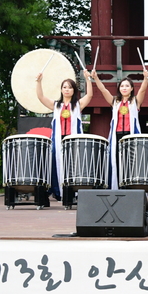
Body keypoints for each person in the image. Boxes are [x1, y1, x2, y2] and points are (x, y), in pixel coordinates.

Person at [36, 70, 93, 202]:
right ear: (61, 90)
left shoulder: (78, 105)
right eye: (65, 87)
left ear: (74, 90)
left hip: (74, 141)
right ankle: (58, 191)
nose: (67, 90)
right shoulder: (56, 105)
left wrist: (88, 79)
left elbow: (89, 95)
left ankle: (74, 192)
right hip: (58, 140)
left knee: (74, 165)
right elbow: (41, 97)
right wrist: (39, 82)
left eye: (70, 87)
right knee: (57, 164)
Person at [92, 68, 148, 189]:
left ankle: (130, 186)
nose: (124, 88)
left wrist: (146, 78)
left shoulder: (135, 101)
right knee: (117, 162)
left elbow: (143, 90)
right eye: (122, 86)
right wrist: (96, 78)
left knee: (130, 162)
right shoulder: (115, 102)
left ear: (131, 88)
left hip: (131, 136)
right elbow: (103, 90)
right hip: (117, 136)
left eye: (127, 86)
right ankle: (118, 186)